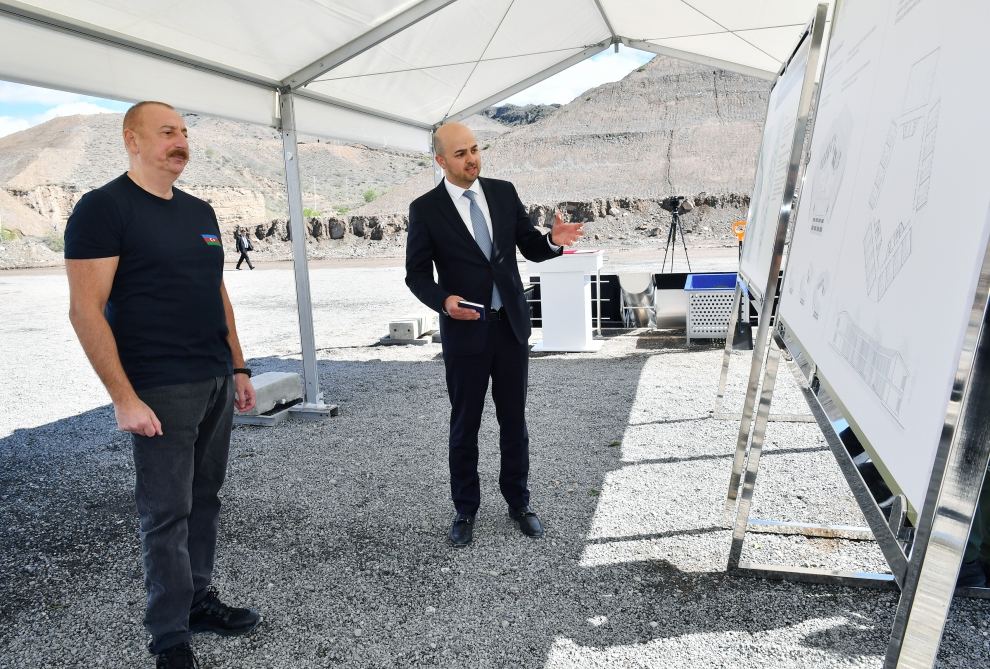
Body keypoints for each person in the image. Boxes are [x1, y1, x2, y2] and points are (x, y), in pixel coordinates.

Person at [64, 101, 261, 668]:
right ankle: (169, 635)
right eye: (167, 132)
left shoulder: (200, 211)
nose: (181, 142)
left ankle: (197, 600)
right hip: (159, 386)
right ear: (131, 139)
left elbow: (217, 293)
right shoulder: (103, 208)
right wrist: (124, 398)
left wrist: (239, 367)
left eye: (184, 133)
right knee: (166, 512)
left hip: (214, 377)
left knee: (205, 499)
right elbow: (85, 310)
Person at [405, 122, 584, 548]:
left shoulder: (503, 192)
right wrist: (444, 301)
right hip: (465, 333)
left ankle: (519, 503)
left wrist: (552, 241)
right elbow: (416, 274)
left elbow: (529, 247)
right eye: (461, 154)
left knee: (514, 421)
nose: (472, 159)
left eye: (475, 149)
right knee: (465, 424)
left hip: (510, 329)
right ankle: (465, 509)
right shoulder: (425, 209)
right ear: (441, 161)